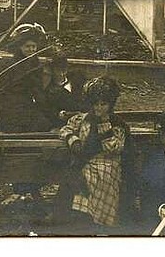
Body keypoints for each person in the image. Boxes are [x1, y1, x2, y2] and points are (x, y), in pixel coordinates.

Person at [57, 76, 137, 232]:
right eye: (95, 104)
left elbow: (115, 147)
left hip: (109, 164)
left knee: (102, 178)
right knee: (73, 180)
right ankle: (79, 222)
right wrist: (74, 141)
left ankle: (101, 222)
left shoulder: (117, 124)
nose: (99, 108)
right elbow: (65, 129)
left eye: (103, 104)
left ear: (110, 104)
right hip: (85, 163)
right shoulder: (84, 119)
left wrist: (104, 126)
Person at [0, 23, 53, 133]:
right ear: (20, 47)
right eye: (27, 46)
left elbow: (37, 90)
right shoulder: (8, 66)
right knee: (19, 127)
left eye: (33, 46)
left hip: (26, 105)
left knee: (45, 124)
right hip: (10, 107)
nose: (31, 49)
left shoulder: (36, 65)